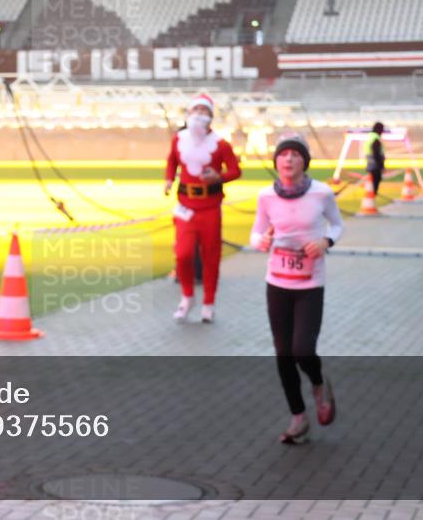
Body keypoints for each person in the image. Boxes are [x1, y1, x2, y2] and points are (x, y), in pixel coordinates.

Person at [250, 133, 343, 444]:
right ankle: (298, 417)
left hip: (310, 283)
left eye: (295, 154)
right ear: (276, 161)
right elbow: (256, 232)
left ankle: (318, 384)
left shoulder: (321, 193)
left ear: (305, 161)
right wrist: (260, 241)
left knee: (302, 349)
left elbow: (338, 225)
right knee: (283, 354)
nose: (288, 159)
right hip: (277, 282)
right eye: (283, 154)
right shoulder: (266, 196)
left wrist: (325, 242)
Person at [164, 94, 241, 324]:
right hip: (186, 205)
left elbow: (236, 171)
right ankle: (187, 297)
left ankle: (209, 302)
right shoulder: (178, 139)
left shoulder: (221, 144)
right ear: (188, 114)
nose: (199, 115)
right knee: (183, 254)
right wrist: (169, 179)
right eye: (195, 110)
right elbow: (171, 162)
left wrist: (219, 177)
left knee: (210, 256)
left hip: (210, 207)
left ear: (211, 116)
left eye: (204, 111)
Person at [366, 121, 385, 195]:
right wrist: (381, 164)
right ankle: (373, 194)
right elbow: (376, 152)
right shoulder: (375, 138)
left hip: (370, 163)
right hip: (375, 165)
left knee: (371, 181)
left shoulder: (370, 136)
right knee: (375, 181)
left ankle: (372, 194)